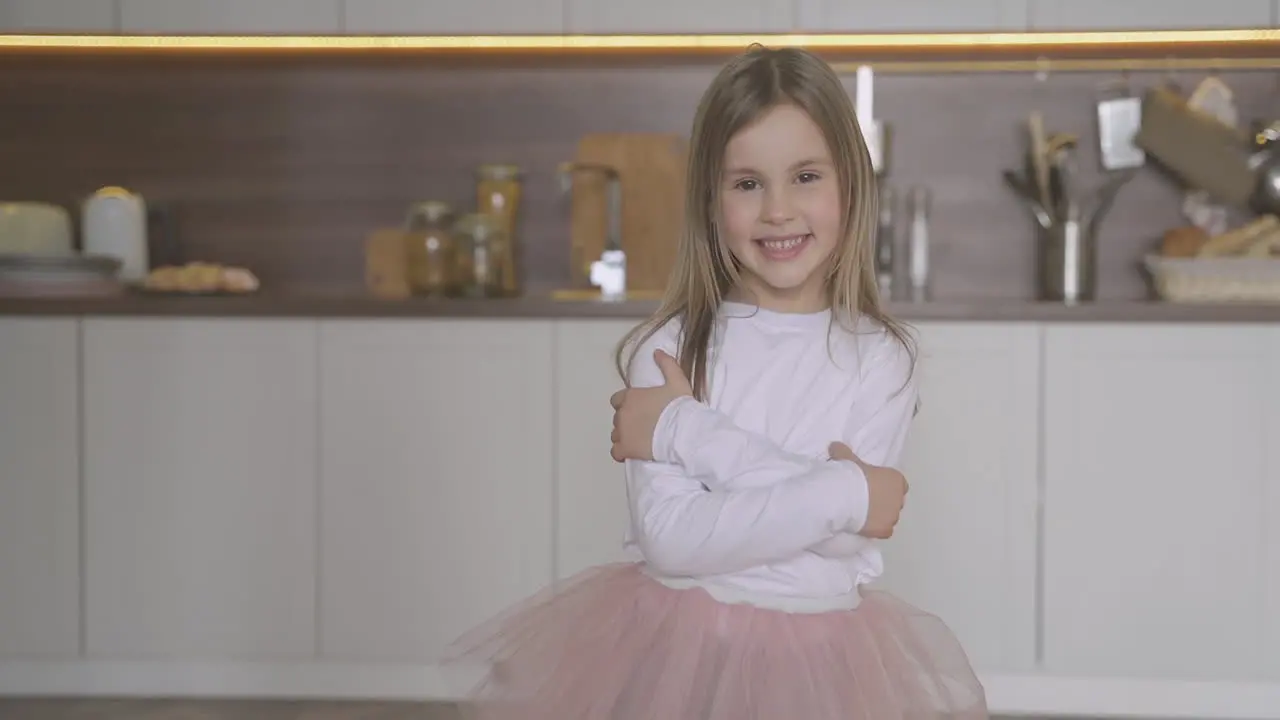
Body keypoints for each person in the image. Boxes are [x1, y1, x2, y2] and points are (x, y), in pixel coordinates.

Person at [442, 44, 989, 719]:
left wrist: (684, 430)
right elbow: (674, 541)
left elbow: (848, 538)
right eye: (747, 183)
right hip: (676, 664)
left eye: (806, 176)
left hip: (823, 671)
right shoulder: (669, 352)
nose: (778, 211)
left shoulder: (883, 359)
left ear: (852, 183)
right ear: (711, 199)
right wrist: (844, 490)